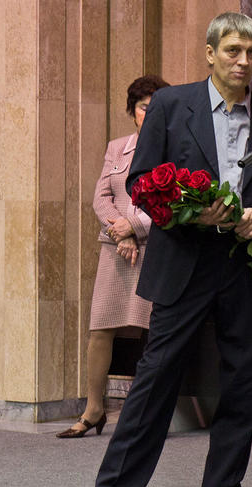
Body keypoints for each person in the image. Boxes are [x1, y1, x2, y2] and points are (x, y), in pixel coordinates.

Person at [84, 12, 252, 487]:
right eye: (232, 51)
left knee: (242, 383)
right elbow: (140, 183)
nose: (242, 62)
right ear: (210, 53)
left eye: (251, 53)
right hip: (185, 259)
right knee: (156, 377)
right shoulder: (170, 105)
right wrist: (186, 209)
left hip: (246, 264)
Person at [57, 74, 169, 439]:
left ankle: (147, 415)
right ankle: (93, 409)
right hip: (115, 250)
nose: (148, 115)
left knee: (153, 335)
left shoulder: (173, 151)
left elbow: (170, 203)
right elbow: (100, 197)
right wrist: (120, 229)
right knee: (99, 329)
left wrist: (134, 229)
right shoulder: (116, 147)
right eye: (142, 108)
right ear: (131, 111)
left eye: (155, 109)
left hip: (154, 252)